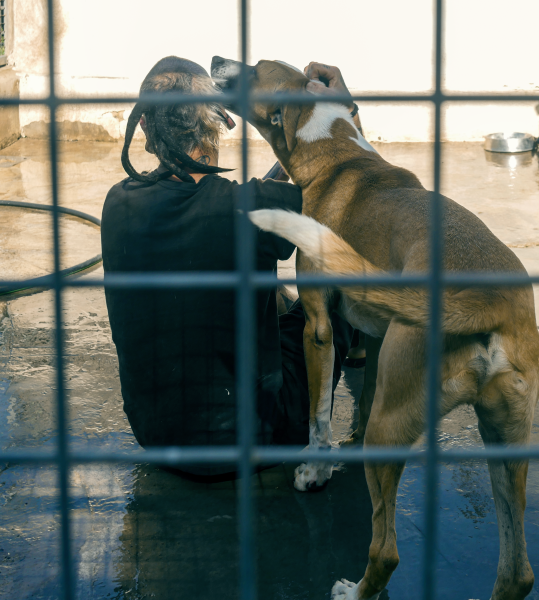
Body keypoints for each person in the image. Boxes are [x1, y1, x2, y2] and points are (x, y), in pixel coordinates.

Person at [101, 56, 357, 480]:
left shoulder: (117, 202)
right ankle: (360, 355)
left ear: (145, 129)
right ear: (216, 123)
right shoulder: (251, 207)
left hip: (158, 437)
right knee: (343, 286)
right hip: (254, 439)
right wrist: (344, 110)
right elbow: (346, 195)